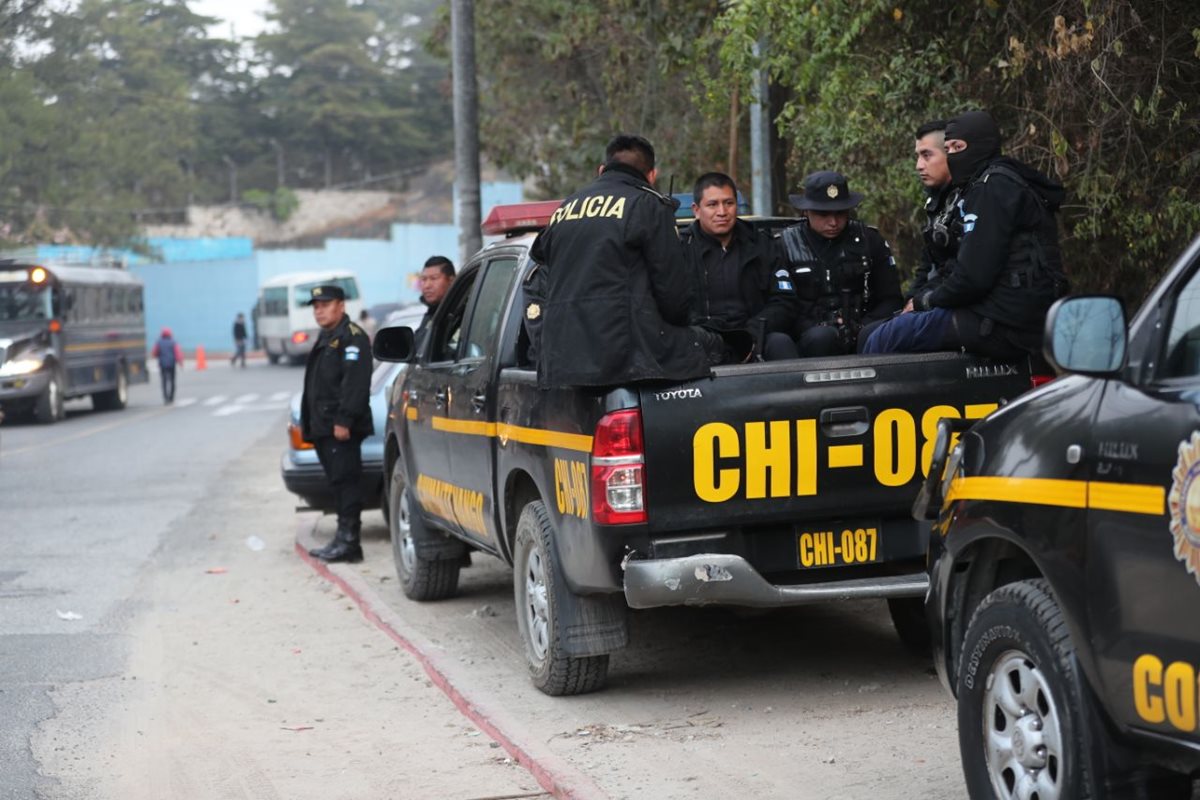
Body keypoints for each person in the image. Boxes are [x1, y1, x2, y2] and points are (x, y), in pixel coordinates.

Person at [862, 110, 1067, 358]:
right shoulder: (986, 186)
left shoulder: (993, 188)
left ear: (981, 145)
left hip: (1007, 322)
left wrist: (924, 302)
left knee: (885, 338)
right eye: (948, 150)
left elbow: (972, 278)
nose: (953, 157)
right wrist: (920, 299)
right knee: (887, 328)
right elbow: (952, 268)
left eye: (957, 147)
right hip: (1005, 314)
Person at [527, 134, 725, 388]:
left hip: (563, 361)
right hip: (625, 359)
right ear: (652, 175)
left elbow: (541, 259)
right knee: (719, 345)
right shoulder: (648, 204)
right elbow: (673, 297)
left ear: (602, 170)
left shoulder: (566, 207)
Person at [781, 171, 903, 356]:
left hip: (864, 333)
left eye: (840, 213)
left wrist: (862, 326)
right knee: (821, 338)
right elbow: (780, 306)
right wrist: (817, 326)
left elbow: (891, 298)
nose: (833, 222)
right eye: (823, 214)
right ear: (806, 211)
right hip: (809, 340)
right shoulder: (784, 245)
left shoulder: (869, 241)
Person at [680, 172, 798, 360]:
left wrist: (752, 332)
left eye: (729, 203)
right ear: (696, 210)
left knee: (781, 343)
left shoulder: (762, 244)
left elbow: (784, 301)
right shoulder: (680, 249)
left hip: (756, 336)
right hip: (701, 341)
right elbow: (671, 305)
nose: (722, 212)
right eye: (712, 205)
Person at [301, 285, 374, 563]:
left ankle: (349, 542)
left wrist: (344, 420)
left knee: (346, 483)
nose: (319, 310)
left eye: (325, 304)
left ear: (341, 306)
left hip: (340, 429)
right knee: (337, 483)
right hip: (324, 427)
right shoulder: (328, 337)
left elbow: (355, 384)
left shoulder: (351, 338)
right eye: (316, 306)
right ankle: (342, 539)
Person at [414, 255, 455, 353]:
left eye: (434, 278)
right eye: (424, 279)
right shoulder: (431, 314)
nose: (427, 285)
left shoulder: (460, 313)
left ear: (451, 281)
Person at [150, 327, 184, 404]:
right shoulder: (173, 342)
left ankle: (165, 397)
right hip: (172, 364)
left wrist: (156, 356)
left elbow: (155, 352)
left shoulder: (159, 342)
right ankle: (171, 397)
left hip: (163, 365)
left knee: (164, 381)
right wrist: (180, 362)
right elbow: (177, 353)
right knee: (172, 381)